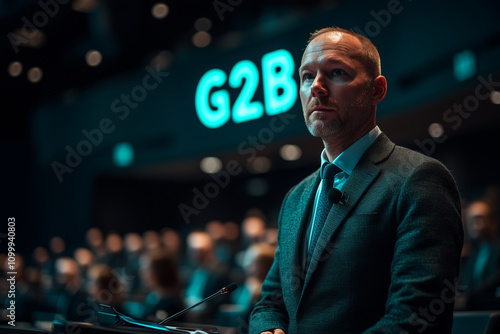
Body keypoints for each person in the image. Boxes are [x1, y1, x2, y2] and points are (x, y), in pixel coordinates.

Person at [249, 27, 464, 334]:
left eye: (336, 72)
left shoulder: (418, 179)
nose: (317, 88)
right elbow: (271, 303)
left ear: (377, 90)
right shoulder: (295, 198)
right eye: (307, 77)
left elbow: (416, 317)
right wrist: (267, 329)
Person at [456, 194, 500, 310]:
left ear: (494, 221)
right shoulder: (472, 254)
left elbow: (494, 281)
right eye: (470, 220)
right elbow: (465, 283)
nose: (474, 225)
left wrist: (469, 297)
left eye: (479, 218)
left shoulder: (496, 250)